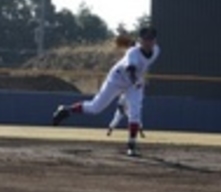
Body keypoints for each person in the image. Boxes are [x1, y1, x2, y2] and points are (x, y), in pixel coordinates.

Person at [51, 26, 160, 157]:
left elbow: (136, 50)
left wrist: (136, 82)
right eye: (146, 39)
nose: (149, 42)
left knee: (135, 112)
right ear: (141, 40)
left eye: (151, 39)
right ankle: (66, 109)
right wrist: (136, 81)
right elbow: (131, 69)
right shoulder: (132, 53)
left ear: (155, 41)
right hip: (118, 79)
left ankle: (131, 146)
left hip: (134, 83)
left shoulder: (156, 50)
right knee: (95, 108)